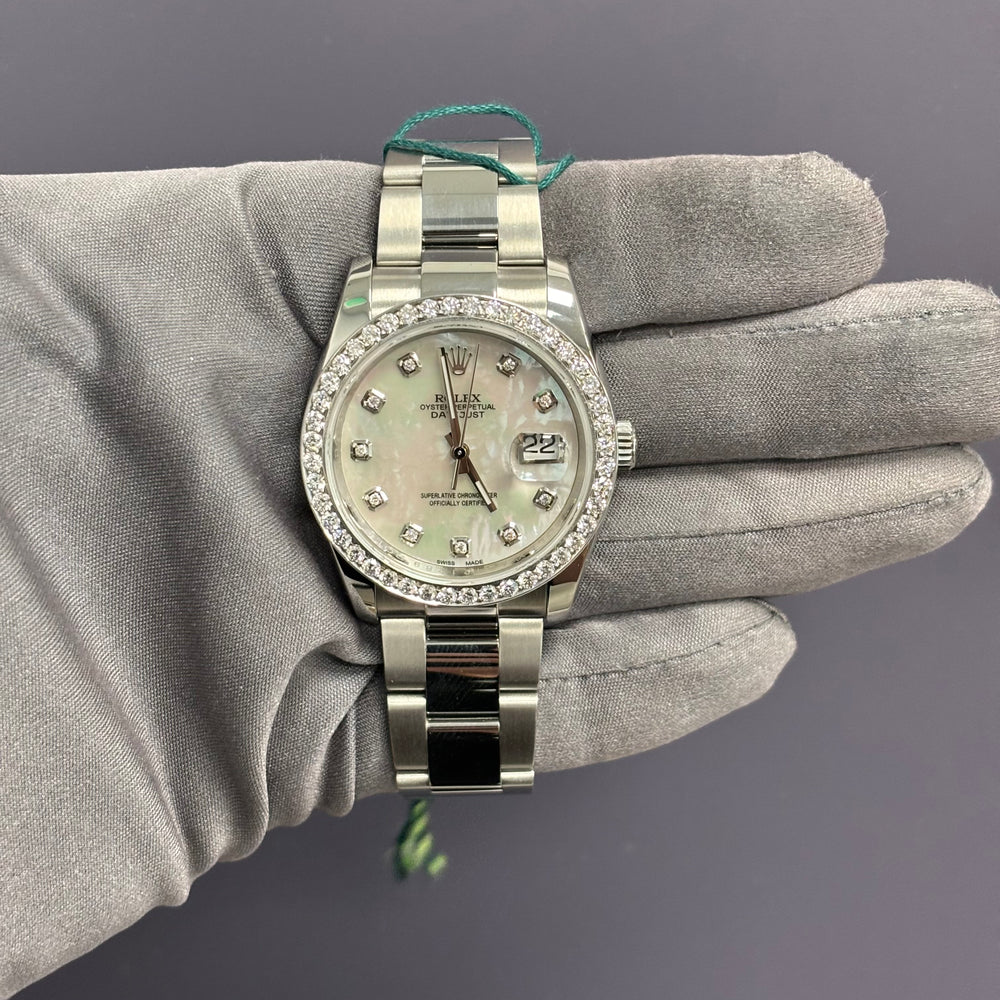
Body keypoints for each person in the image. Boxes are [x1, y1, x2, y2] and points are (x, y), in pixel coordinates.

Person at [1, 150, 997, 996]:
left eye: (469, 454)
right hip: (400, 535)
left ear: (606, 444)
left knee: (462, 716)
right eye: (457, 449)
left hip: (452, 528)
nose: (462, 459)